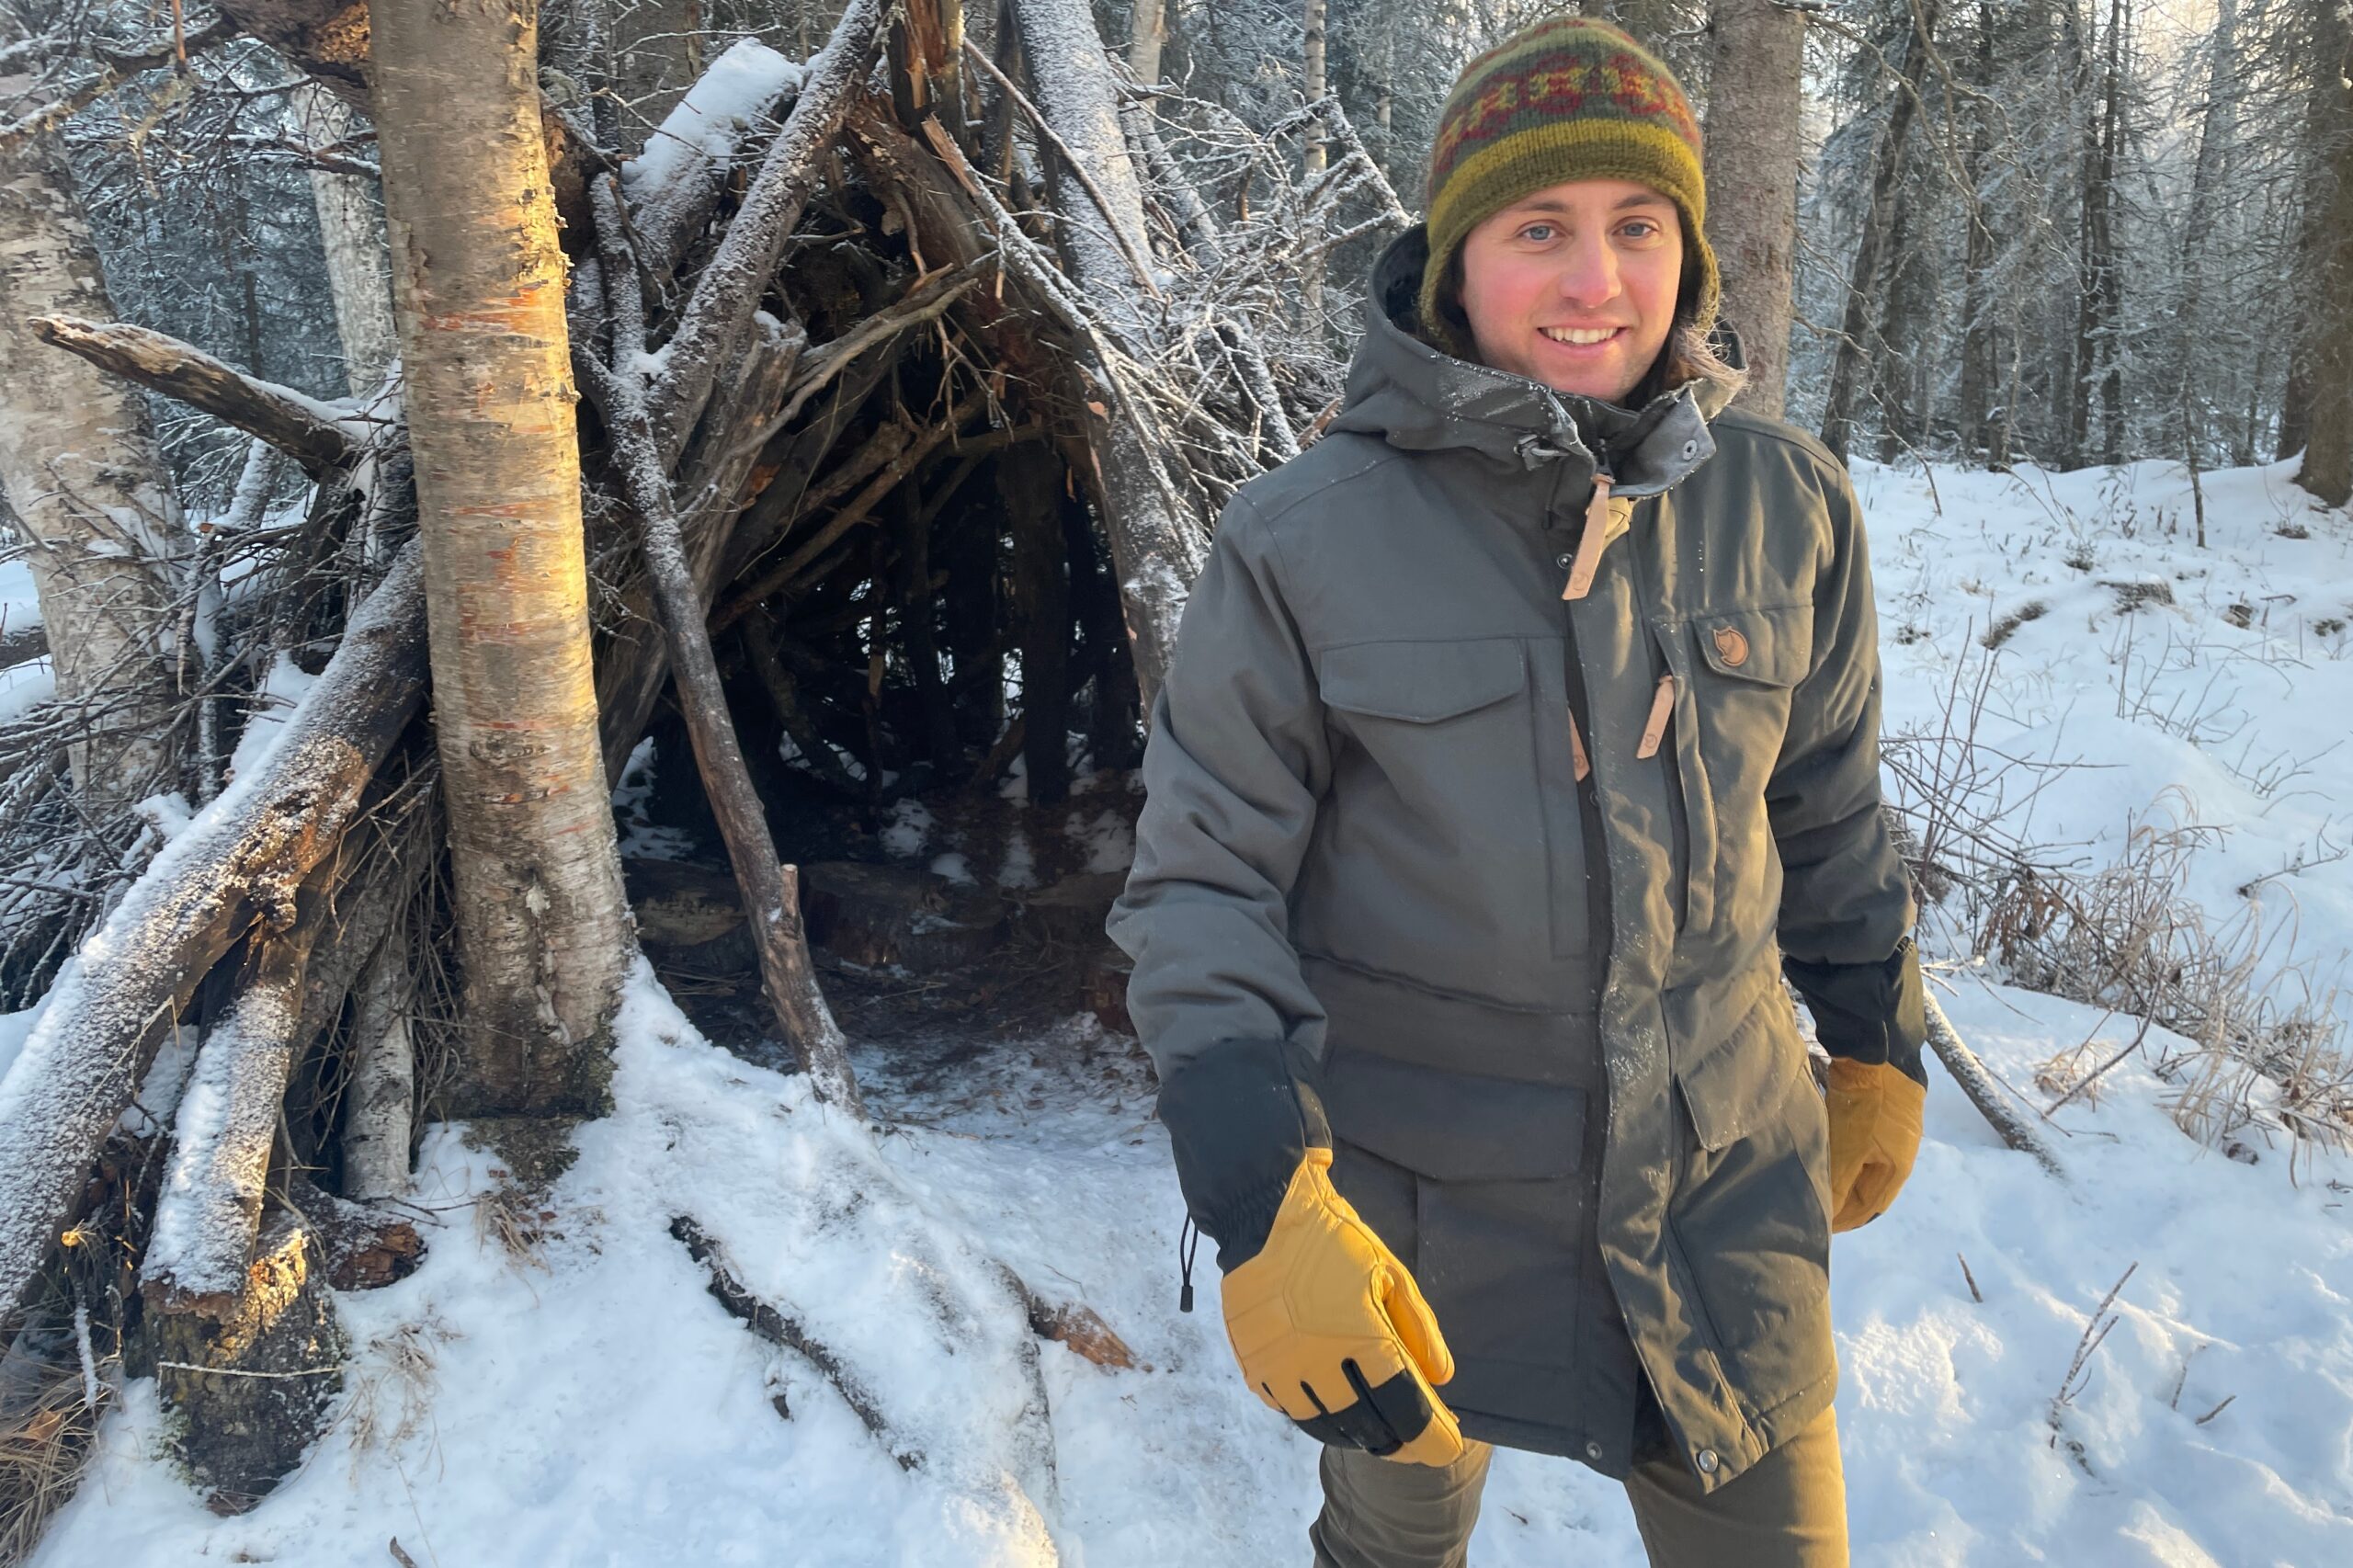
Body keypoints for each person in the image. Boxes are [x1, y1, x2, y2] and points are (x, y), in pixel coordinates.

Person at [1105, 16, 1928, 1568]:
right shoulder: (1302, 541)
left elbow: (1824, 802)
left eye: (1637, 229)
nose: (1593, 280)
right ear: (1454, 259)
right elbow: (1203, 885)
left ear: (1688, 251)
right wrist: (1263, 1196)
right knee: (1397, 1528)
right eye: (1537, 227)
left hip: (1723, 1189)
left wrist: (1877, 1025)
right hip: (1412, 1212)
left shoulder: (1788, 503)